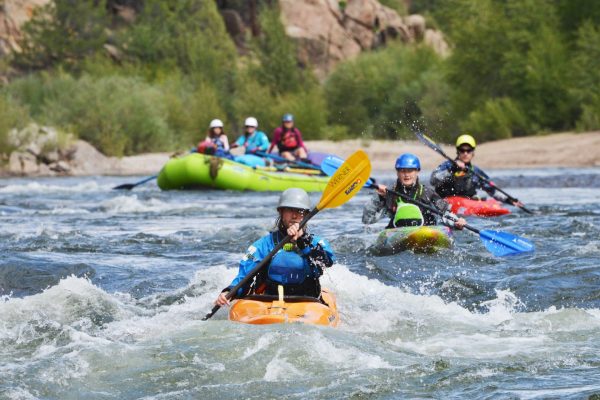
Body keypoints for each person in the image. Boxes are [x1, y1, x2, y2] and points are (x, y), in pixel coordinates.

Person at [215, 188, 335, 306]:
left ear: (306, 215)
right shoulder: (263, 245)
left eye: (299, 211)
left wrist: (302, 241)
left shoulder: (317, 243)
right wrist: (229, 291)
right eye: (289, 210)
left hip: (309, 301)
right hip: (269, 301)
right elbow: (245, 275)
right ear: (281, 213)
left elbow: (325, 263)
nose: (294, 215)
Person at [363, 153, 467, 229]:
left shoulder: (428, 193)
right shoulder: (389, 193)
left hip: (425, 231)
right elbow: (367, 220)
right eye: (402, 170)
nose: (406, 174)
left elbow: (445, 214)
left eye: (410, 170)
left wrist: (456, 222)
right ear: (397, 172)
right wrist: (378, 198)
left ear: (417, 171)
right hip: (397, 233)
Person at [430, 134, 524, 207]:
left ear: (473, 152)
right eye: (462, 150)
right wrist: (452, 170)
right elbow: (433, 180)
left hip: (467, 203)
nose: (465, 153)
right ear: (457, 151)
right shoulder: (447, 165)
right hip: (446, 202)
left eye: (469, 150)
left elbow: (492, 190)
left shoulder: (475, 171)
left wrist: (508, 200)